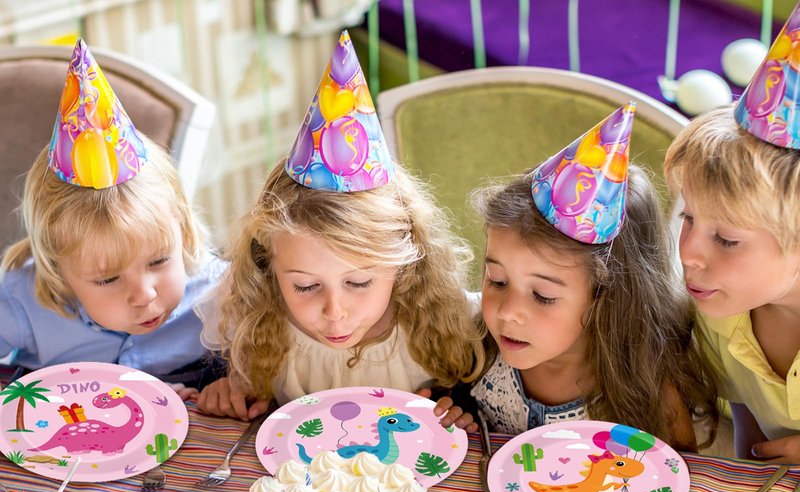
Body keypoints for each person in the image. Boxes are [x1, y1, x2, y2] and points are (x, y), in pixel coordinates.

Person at [197, 31, 483, 427]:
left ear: (405, 264)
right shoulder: (254, 319)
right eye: (305, 286)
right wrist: (228, 391)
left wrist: (459, 412)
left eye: (359, 282)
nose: (335, 313)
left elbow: (471, 413)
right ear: (267, 265)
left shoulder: (441, 324)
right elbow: (240, 399)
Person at [471, 104, 717, 449]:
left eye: (542, 295)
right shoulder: (477, 349)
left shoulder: (650, 396)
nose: (507, 311)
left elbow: (679, 477)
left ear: (606, 294)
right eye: (497, 280)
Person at [0, 40, 226, 395]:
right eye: (107, 279)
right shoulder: (23, 302)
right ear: (57, 269)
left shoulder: (222, 295)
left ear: (182, 229)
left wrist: (235, 385)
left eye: (159, 260)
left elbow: (269, 366)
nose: (144, 295)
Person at [664, 4, 800, 463]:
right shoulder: (720, 312)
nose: (688, 253)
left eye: (726, 239)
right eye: (688, 218)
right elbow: (751, 442)